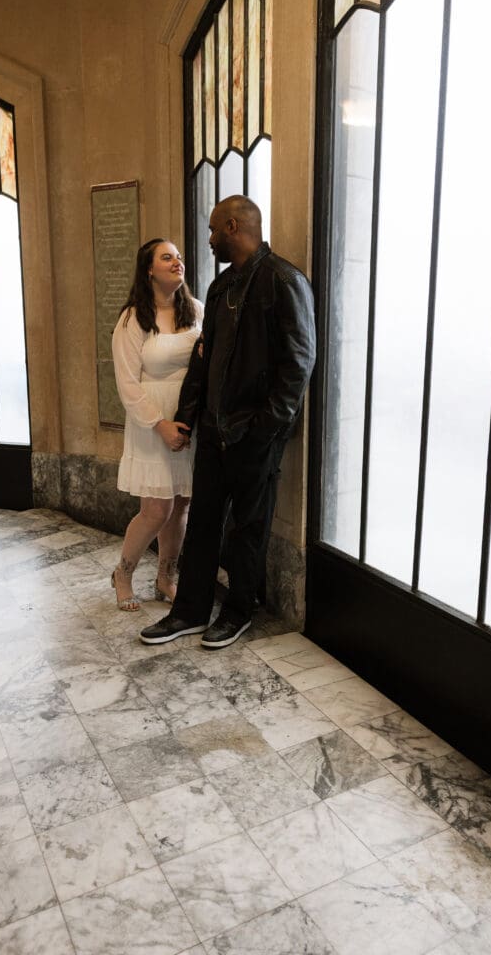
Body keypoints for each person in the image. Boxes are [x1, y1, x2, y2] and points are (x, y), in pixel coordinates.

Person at [140, 196, 316, 648]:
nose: (210, 239)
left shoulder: (284, 280)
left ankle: (238, 613)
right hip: (214, 432)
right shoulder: (220, 288)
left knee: (247, 530)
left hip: (255, 436)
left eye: (214, 229)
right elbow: (204, 359)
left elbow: (298, 365)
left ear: (233, 227)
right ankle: (190, 612)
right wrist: (187, 417)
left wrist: (264, 430)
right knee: (202, 524)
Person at [111, 238, 203, 610]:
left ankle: (166, 578)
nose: (177, 261)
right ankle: (123, 574)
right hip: (152, 422)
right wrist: (160, 424)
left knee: (181, 505)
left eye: (179, 256)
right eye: (167, 257)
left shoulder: (196, 311)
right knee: (156, 510)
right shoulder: (133, 318)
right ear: (149, 269)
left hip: (188, 418)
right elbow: (127, 384)